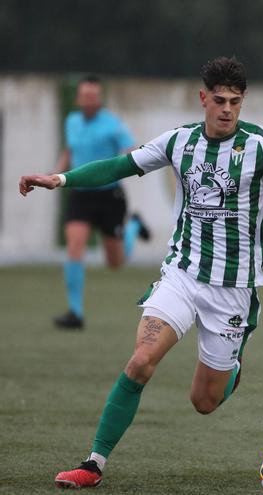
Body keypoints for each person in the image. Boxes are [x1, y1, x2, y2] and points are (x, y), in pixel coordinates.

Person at [20, 56, 263, 488]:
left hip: (233, 290)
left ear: (242, 103)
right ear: (203, 98)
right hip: (182, 275)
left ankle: (233, 364)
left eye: (235, 102)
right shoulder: (179, 142)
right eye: (219, 100)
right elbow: (120, 166)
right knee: (141, 361)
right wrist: (59, 179)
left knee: (204, 402)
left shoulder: (262, 145)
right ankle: (93, 464)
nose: (227, 109)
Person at [51, 75, 150, 330]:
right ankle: (75, 312)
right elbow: (70, 151)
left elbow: (132, 151)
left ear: (100, 99)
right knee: (75, 246)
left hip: (109, 197)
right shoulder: (71, 121)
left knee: (115, 263)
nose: (88, 101)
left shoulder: (113, 125)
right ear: (78, 98)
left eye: (93, 97)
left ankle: (133, 227)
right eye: (84, 96)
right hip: (80, 195)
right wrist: (54, 175)